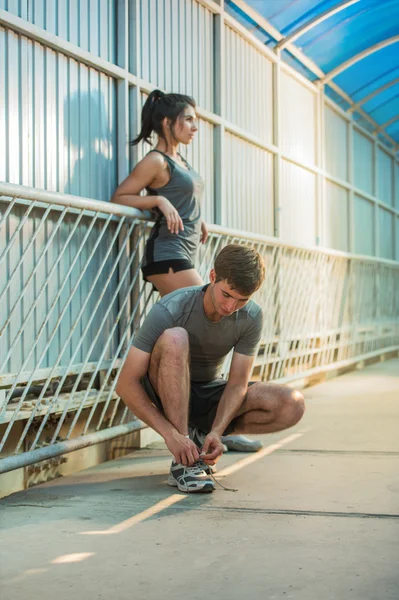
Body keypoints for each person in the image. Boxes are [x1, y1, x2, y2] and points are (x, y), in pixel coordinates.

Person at [111, 89, 262, 453]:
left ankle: (209, 428)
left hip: (186, 251)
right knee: (209, 322)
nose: (195, 126)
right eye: (189, 119)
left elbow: (186, 198)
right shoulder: (157, 161)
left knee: (207, 328)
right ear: (168, 122)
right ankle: (199, 431)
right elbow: (121, 196)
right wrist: (158, 200)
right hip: (167, 256)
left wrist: (198, 221)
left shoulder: (182, 161)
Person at [116, 245, 305, 493]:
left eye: (241, 300)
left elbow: (237, 383)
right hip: (163, 390)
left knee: (292, 404)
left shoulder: (251, 316)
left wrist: (217, 431)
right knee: (175, 338)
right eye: (226, 295)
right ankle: (185, 460)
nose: (230, 307)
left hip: (207, 391)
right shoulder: (171, 308)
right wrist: (171, 435)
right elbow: (125, 384)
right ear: (213, 276)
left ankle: (202, 436)